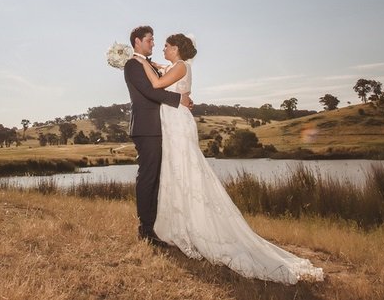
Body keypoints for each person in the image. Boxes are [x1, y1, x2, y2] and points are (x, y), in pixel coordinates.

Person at [137, 33, 324, 284]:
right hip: (170, 124)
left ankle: (200, 230)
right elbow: (160, 69)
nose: (163, 49)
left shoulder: (181, 67)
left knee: (186, 171)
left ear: (178, 49)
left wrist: (140, 62)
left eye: (167, 46)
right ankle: (178, 226)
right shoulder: (174, 65)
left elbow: (157, 86)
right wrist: (148, 63)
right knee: (175, 173)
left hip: (178, 125)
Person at [123, 25, 193, 246]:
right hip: (147, 128)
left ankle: (155, 226)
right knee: (148, 178)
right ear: (137, 41)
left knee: (157, 179)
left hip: (161, 127)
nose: (153, 43)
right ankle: (145, 229)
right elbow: (151, 91)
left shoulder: (149, 64)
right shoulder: (133, 64)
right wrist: (178, 100)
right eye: (150, 40)